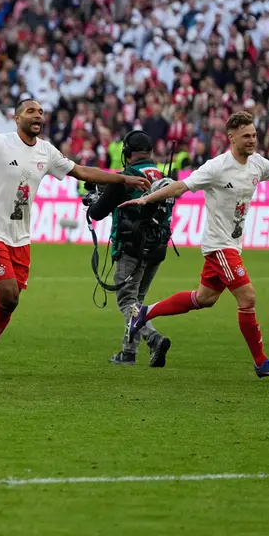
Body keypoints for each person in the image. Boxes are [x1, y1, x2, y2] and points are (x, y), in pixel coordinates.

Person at [126, 111, 269, 378]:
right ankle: (261, 362)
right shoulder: (216, 167)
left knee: (204, 298)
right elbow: (180, 187)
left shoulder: (257, 163)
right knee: (247, 297)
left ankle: (144, 312)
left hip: (232, 244)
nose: (252, 140)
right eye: (246, 136)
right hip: (219, 246)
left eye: (254, 135)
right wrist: (146, 199)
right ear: (231, 137)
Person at [0, 99, 150, 376]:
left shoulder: (46, 151)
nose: (38, 116)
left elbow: (81, 171)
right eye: (31, 111)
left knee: (9, 304)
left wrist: (122, 179)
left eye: (41, 112)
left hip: (21, 236)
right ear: (17, 118)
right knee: (8, 296)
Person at [85, 130, 173, 367]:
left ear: (127, 152)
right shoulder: (163, 175)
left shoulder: (127, 177)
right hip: (158, 247)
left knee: (126, 301)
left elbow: (97, 213)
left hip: (133, 248)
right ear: (150, 152)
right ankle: (128, 353)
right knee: (136, 301)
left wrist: (94, 201)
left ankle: (154, 338)